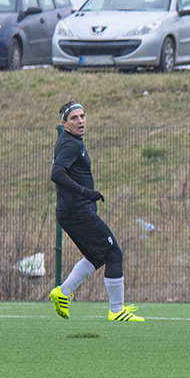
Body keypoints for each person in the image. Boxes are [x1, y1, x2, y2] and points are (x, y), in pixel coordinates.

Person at [49, 102, 144, 322]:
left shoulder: (70, 142)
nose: (81, 121)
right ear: (64, 123)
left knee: (96, 256)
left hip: (71, 211)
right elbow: (57, 174)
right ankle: (116, 310)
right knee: (113, 253)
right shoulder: (70, 144)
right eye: (74, 118)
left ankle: (62, 292)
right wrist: (86, 192)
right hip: (77, 211)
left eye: (83, 116)